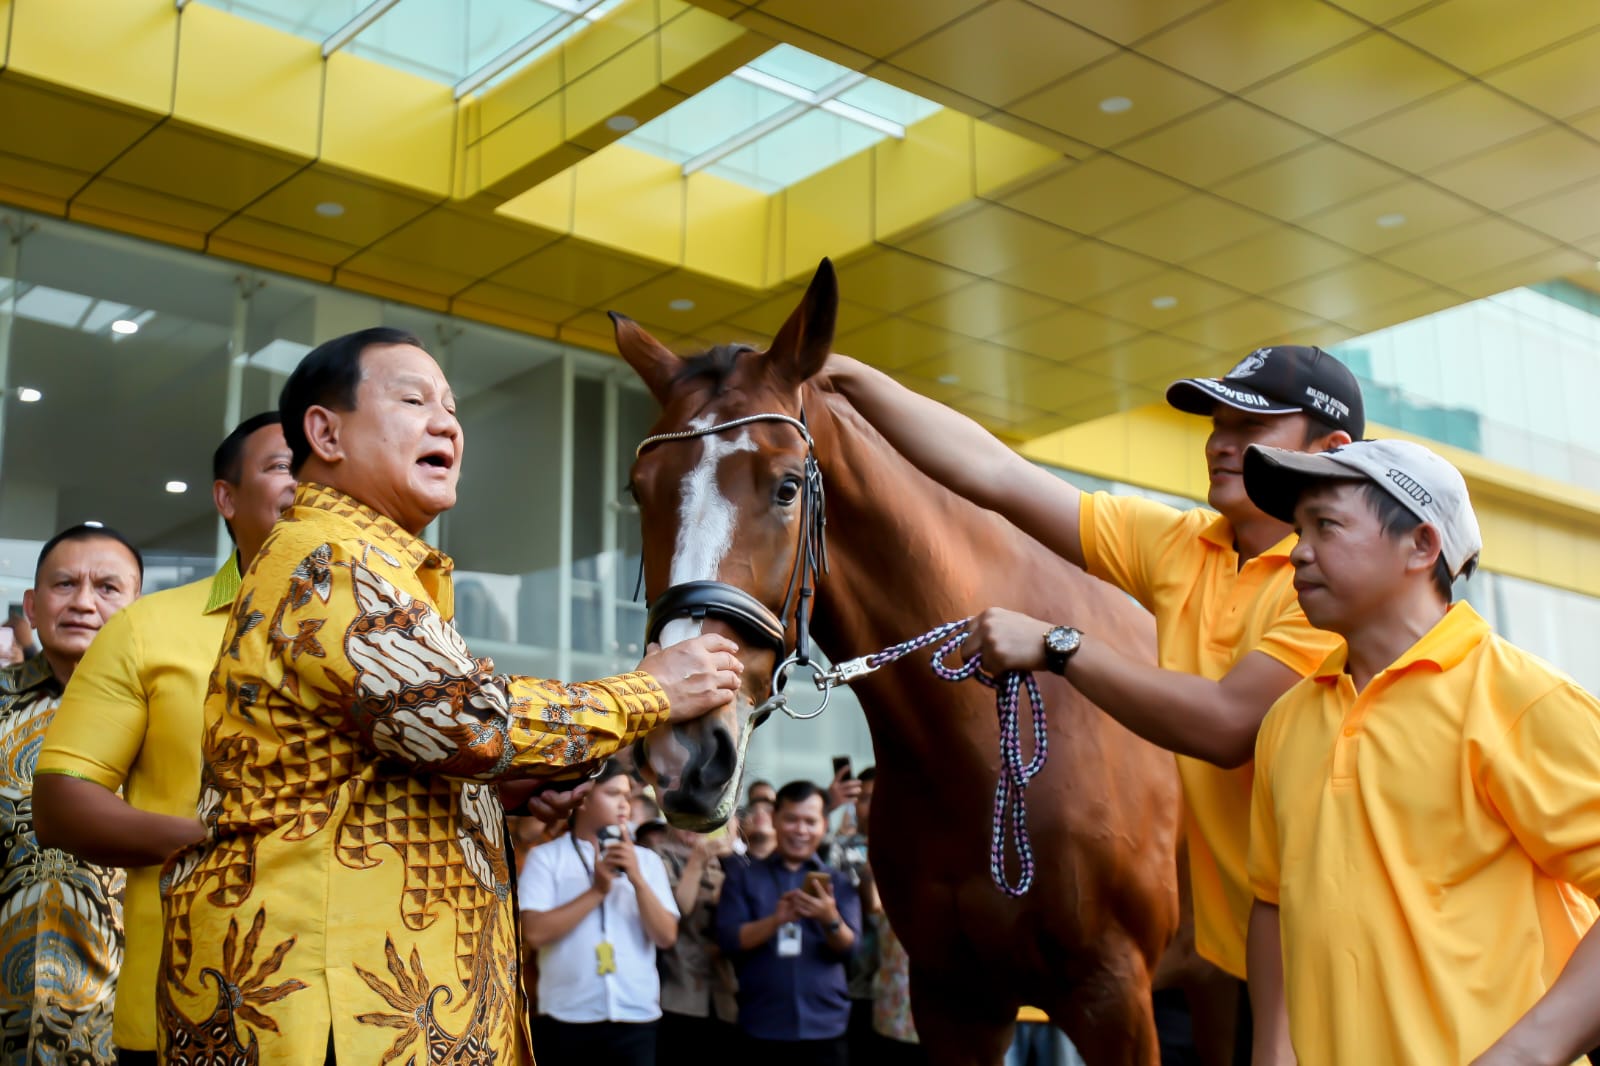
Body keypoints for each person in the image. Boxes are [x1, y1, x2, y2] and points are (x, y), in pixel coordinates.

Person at [155, 327, 744, 1064]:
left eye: (453, 408)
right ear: (325, 432)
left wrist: (504, 792)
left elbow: (377, 776)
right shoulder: (330, 558)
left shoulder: (386, 571)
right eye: (413, 399)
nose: (447, 424)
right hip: (326, 1017)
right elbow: (472, 721)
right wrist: (648, 692)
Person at [826, 345, 1364, 1056]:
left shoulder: (1334, 581)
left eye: (1251, 428)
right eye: (1217, 424)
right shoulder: (1183, 548)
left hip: (1338, 938)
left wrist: (1059, 648)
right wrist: (846, 375)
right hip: (1245, 933)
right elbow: (995, 473)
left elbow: (1227, 723)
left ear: (1331, 451)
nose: (1220, 445)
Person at [1240, 439, 1600, 1065]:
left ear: (1422, 546)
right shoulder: (1285, 724)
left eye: (1326, 524)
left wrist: (1530, 1051)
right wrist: (1273, 1053)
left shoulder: (1520, 699)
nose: (1297, 551)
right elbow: (1272, 900)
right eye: (1298, 529)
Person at [33, 412, 296, 1065]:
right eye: (282, 466)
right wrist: (215, 845)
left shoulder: (399, 641)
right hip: (185, 1003)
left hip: (355, 1022)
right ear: (226, 498)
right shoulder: (148, 629)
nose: (307, 483)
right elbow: (62, 802)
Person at [0, 524, 144, 1064]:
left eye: (107, 588)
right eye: (65, 585)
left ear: (137, 608)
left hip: (122, 1019)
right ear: (32, 606)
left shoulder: (173, 714)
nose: (83, 602)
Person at [520, 762, 679, 1065]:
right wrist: (596, 891)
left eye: (627, 796)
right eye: (612, 793)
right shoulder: (547, 857)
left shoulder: (646, 861)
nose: (624, 804)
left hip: (636, 1015)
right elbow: (535, 933)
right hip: (567, 1017)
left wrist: (637, 879)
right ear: (583, 799)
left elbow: (666, 936)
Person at [718, 780, 861, 1065]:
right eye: (792, 819)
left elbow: (851, 950)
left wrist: (829, 918)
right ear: (774, 819)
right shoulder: (743, 876)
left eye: (810, 821)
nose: (801, 830)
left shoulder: (839, 883)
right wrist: (776, 920)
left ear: (823, 824)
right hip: (762, 1025)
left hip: (826, 1028)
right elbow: (729, 939)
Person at [652, 824, 739, 1066]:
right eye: (685, 817)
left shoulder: (733, 862)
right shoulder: (659, 856)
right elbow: (678, 909)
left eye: (706, 819)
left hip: (724, 987)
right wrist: (697, 859)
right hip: (678, 985)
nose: (694, 825)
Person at [823, 766, 877, 1061]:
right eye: (867, 798)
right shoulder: (841, 849)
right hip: (855, 982)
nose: (876, 805)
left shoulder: (917, 847)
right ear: (855, 804)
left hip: (902, 986)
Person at [739, 795, 777, 862]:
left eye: (768, 810)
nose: (760, 813)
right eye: (752, 811)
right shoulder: (723, 865)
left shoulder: (797, 865)